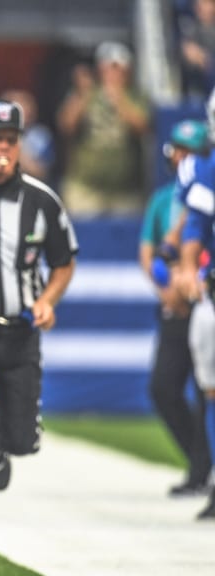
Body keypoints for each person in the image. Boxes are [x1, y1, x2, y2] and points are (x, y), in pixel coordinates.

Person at [0, 98, 78, 562]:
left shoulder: (41, 200)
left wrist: (46, 301)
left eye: (10, 140)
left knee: (25, 441)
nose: (2, 149)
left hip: (21, 334)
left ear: (20, 145)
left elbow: (64, 262)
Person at [141, 119, 212, 498]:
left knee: (208, 394)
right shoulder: (168, 198)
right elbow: (156, 250)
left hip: (204, 298)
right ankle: (200, 463)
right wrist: (169, 285)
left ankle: (205, 470)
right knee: (164, 387)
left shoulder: (204, 185)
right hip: (180, 303)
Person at [172, 117, 215, 522]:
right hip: (212, 293)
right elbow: (195, 228)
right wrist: (187, 266)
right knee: (212, 390)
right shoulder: (204, 169)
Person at [56, 41, 150, 217]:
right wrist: (82, 94)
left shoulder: (136, 95)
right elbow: (66, 125)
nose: (112, 74)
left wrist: (119, 98)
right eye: (107, 68)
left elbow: (143, 127)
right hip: (86, 188)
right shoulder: (86, 93)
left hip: (125, 191)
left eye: (117, 68)